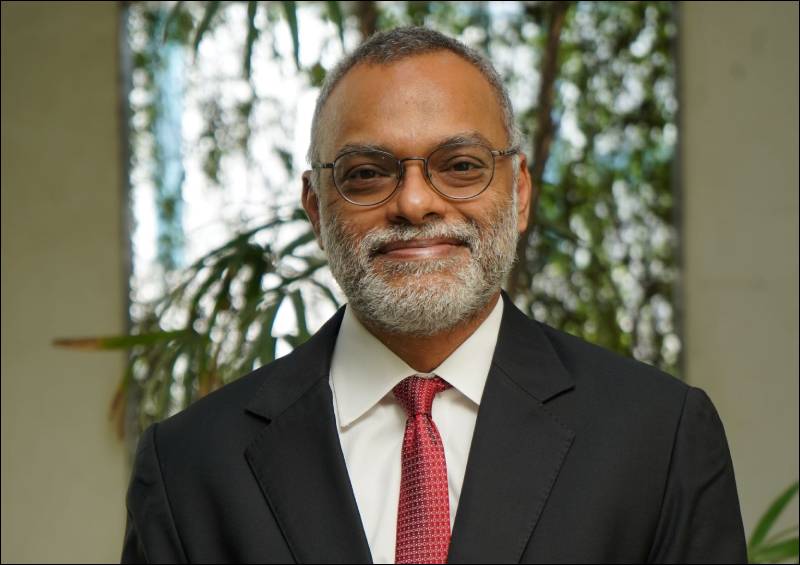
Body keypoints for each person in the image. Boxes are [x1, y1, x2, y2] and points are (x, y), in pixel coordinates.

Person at [121, 27, 747, 564]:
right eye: (368, 174)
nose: (416, 203)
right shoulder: (189, 466)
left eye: (461, 165)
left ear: (519, 193)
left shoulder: (659, 437)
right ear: (316, 208)